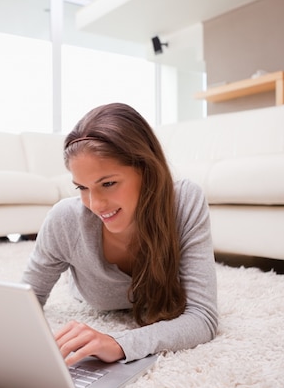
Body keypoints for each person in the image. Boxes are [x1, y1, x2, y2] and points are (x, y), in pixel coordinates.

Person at [22, 102, 218, 365]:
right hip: (83, 289)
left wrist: (119, 344)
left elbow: (202, 318)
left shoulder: (184, 201)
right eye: (82, 187)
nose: (96, 204)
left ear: (146, 170)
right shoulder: (65, 220)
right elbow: (24, 302)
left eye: (109, 184)